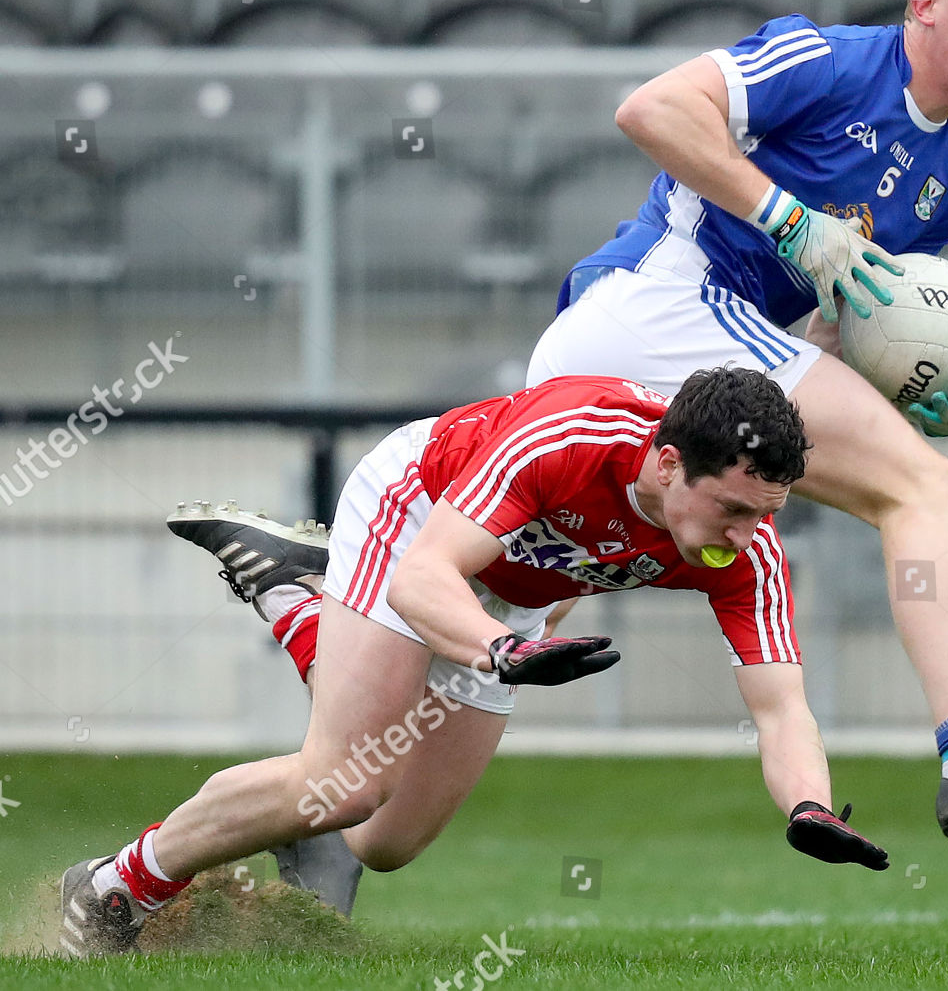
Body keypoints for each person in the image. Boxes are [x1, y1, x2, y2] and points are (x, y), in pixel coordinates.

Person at [523, 0, 948, 846]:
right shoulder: (826, 60)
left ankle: (332, 791)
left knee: (508, 612)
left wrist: (917, 394)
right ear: (926, 2)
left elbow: (825, 342)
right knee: (928, 492)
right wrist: (789, 217)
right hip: (648, 306)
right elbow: (649, 109)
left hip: (690, 360)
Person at [59, 368, 891, 958]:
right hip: (421, 523)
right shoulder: (568, 440)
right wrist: (499, 652)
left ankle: (295, 594)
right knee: (345, 781)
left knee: (380, 842)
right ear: (669, 464)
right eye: (734, 509)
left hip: (518, 591)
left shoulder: (748, 548)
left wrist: (808, 807)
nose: (747, 536)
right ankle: (114, 887)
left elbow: (781, 707)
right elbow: (426, 578)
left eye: (765, 514)